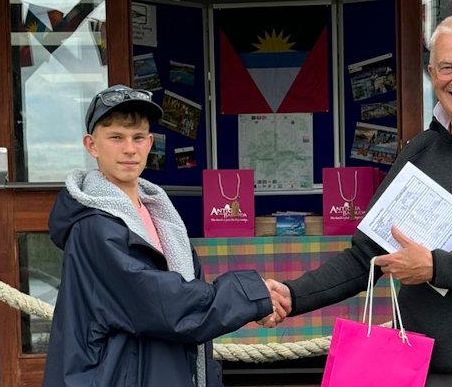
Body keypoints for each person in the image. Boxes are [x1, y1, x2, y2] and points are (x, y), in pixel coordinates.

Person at [263, 14, 452, 387]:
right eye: (446, 67)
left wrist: (435, 267)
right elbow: (367, 256)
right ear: (431, 73)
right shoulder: (417, 152)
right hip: (418, 365)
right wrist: (294, 295)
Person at [42, 85, 287, 387]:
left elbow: (184, 298)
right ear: (92, 145)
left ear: (150, 143)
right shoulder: (94, 227)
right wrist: (251, 295)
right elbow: (166, 305)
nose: (129, 149)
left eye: (139, 137)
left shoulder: (160, 213)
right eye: (116, 137)